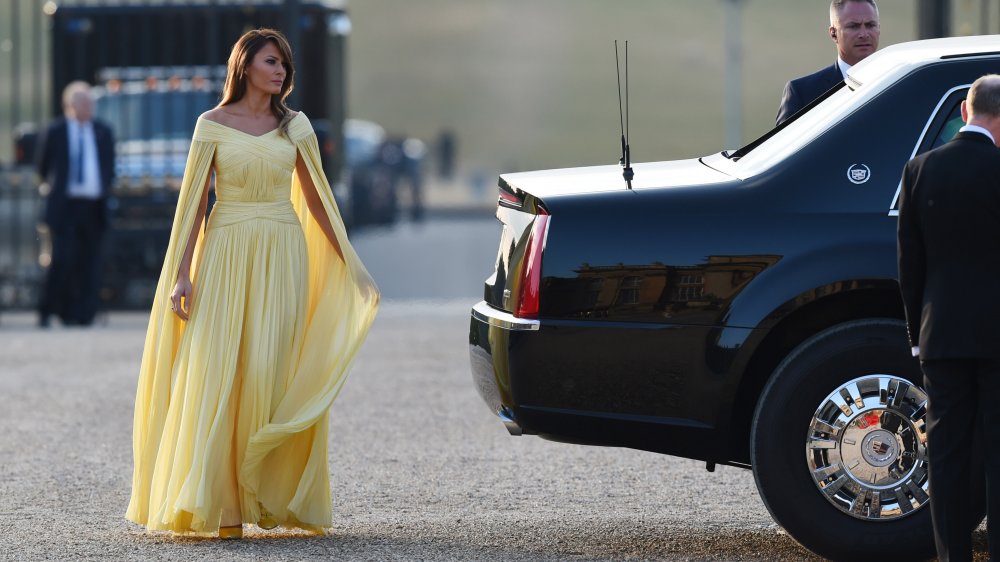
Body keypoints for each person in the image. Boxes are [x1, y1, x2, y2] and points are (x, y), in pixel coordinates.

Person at [125, 29, 379, 539]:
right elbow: (193, 203)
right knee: (219, 369)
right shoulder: (211, 125)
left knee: (269, 367)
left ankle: (269, 498)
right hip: (223, 252)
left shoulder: (296, 127)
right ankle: (222, 510)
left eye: (284, 63)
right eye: (271, 61)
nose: (281, 70)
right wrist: (180, 274)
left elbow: (319, 202)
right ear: (245, 67)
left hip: (282, 252)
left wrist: (351, 265)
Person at [897, 74, 1000, 561]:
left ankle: (952, 556)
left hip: (942, 335)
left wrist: (918, 335)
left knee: (946, 454)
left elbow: (909, 266)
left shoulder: (919, 170)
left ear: (964, 110)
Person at [36, 81, 115, 327]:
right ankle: (50, 310)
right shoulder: (56, 130)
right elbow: (42, 166)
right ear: (70, 105)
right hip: (65, 206)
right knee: (61, 259)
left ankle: (84, 314)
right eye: (84, 102)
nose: (89, 106)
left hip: (93, 205)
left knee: (89, 261)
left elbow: (109, 166)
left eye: (91, 102)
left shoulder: (103, 130)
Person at [775, 0, 880, 125]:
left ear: (879, 28)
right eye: (853, 26)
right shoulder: (803, 94)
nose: (864, 34)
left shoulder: (900, 79)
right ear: (833, 33)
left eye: (870, 25)